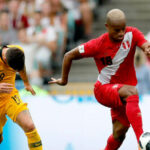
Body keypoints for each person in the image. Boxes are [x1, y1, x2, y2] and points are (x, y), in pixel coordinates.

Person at [49, 9, 150, 150]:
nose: (121, 33)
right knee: (132, 91)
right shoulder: (97, 44)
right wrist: (64, 80)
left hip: (122, 94)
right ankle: (142, 140)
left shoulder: (132, 34)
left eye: (123, 28)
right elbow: (68, 55)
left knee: (119, 134)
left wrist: (146, 48)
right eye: (116, 30)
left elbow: (145, 44)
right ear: (107, 27)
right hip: (103, 90)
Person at [0, 45, 43, 150]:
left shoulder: (17, 52)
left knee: (29, 125)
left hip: (10, 96)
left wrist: (26, 83)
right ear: (5, 59)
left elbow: (21, 67)